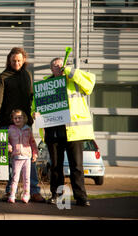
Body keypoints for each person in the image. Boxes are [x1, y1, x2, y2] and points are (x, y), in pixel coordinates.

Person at [0, 47, 44, 203]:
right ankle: (9, 191)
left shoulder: (27, 75)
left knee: (29, 158)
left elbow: (32, 98)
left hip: (25, 126)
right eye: (13, 60)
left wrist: (36, 112)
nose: (16, 63)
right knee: (13, 159)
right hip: (8, 124)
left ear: (24, 60)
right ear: (9, 60)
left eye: (19, 60)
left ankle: (34, 191)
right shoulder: (2, 77)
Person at [37, 57, 95, 207]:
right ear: (51, 69)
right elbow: (36, 106)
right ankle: (56, 195)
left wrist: (69, 71)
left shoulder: (75, 79)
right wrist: (34, 114)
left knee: (77, 166)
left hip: (74, 132)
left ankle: (81, 197)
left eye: (62, 65)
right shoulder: (46, 85)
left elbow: (90, 84)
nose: (59, 67)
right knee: (55, 166)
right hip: (53, 132)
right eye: (55, 66)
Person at [7, 109, 38, 203]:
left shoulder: (28, 129)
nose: (17, 120)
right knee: (15, 177)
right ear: (12, 119)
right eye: (15, 118)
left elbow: (32, 142)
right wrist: (8, 145)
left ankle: (26, 194)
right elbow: (6, 140)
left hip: (27, 157)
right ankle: (12, 195)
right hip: (16, 157)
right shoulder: (10, 129)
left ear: (24, 118)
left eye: (19, 118)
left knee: (27, 178)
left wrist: (35, 153)